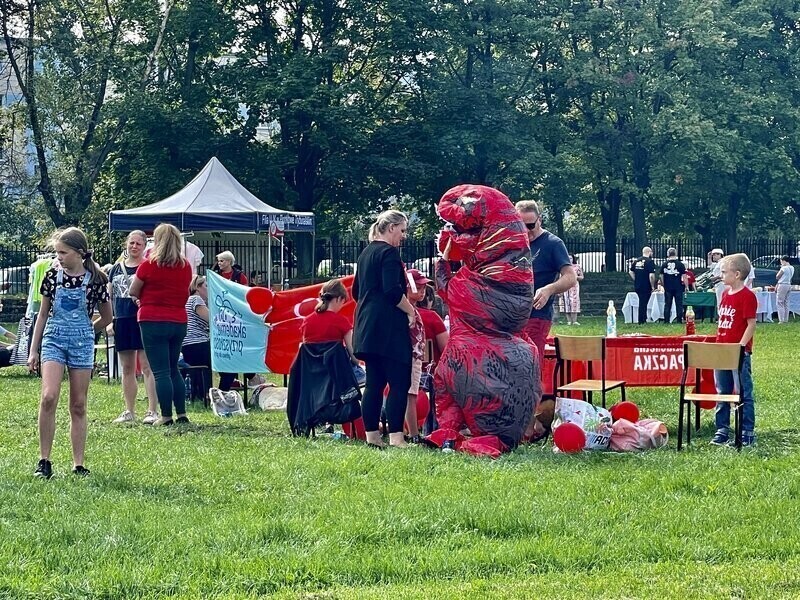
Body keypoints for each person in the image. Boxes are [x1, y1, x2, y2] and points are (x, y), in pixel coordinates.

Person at [27, 227, 112, 478]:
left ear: (79, 253)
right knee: (49, 396)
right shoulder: (52, 276)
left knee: (78, 404)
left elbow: (107, 316)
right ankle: (44, 460)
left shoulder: (97, 280)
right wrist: (34, 350)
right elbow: (42, 314)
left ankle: (78, 464)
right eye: (57, 252)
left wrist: (88, 330)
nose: (59, 257)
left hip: (81, 343)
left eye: (63, 252)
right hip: (54, 338)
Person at [352, 209, 415, 449]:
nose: (403, 236)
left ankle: (372, 437)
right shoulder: (389, 253)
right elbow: (392, 290)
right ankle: (397, 437)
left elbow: (356, 292)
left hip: (367, 327)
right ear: (391, 228)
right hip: (389, 328)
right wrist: (411, 311)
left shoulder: (365, 253)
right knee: (399, 382)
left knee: (374, 383)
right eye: (402, 230)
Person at [129, 223, 193, 426]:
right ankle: (181, 414)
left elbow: (133, 290)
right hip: (178, 321)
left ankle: (165, 417)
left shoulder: (148, 265)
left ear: (157, 241)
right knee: (173, 368)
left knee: (161, 372)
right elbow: (186, 291)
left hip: (152, 320)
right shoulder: (186, 266)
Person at [108, 230, 159, 424]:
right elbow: (110, 296)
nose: (134, 246)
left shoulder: (148, 267)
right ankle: (129, 410)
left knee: (147, 366)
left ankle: (151, 410)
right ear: (126, 244)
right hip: (122, 319)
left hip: (142, 318)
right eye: (132, 243)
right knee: (127, 367)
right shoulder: (115, 269)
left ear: (145, 246)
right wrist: (111, 319)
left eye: (138, 243)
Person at [514, 201, 575, 359]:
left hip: (537, 315)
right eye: (521, 226)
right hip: (511, 315)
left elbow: (570, 276)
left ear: (539, 220)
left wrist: (549, 289)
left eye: (530, 226)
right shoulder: (512, 242)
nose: (526, 231)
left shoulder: (553, 243)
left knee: (529, 364)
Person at [711, 253, 757, 447]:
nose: (721, 275)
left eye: (724, 271)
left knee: (743, 391)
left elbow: (751, 324)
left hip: (738, 352)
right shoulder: (724, 294)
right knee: (723, 390)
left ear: (737, 274)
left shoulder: (747, 296)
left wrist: (741, 346)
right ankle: (722, 428)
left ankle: (746, 431)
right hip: (722, 350)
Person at [301, 278, 362, 379]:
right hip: (336, 375)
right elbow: (354, 356)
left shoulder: (306, 321)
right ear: (338, 299)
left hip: (312, 376)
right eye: (343, 302)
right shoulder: (342, 322)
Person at [181, 274, 212, 398]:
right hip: (198, 343)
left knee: (198, 370)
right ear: (198, 287)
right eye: (206, 286)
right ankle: (208, 393)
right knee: (214, 364)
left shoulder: (187, 300)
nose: (208, 289)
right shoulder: (196, 300)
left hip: (187, 344)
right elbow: (210, 319)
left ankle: (199, 393)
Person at [629, 246, 656, 324]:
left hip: (638, 285)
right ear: (649, 252)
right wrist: (652, 286)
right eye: (651, 252)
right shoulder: (649, 262)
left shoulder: (637, 261)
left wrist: (636, 279)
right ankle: (642, 320)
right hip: (646, 285)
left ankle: (643, 318)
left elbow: (630, 272)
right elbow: (651, 275)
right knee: (643, 303)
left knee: (642, 301)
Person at [659, 248, 686, 323]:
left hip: (668, 287)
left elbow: (661, 276)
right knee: (679, 304)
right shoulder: (680, 264)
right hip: (678, 287)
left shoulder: (664, 264)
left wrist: (663, 284)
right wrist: (686, 286)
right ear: (676, 254)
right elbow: (684, 277)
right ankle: (679, 320)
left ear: (668, 254)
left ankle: (666, 320)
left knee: (667, 304)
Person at [559, 253, 584, 326]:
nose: (570, 259)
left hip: (574, 287)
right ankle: (569, 320)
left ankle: (574, 320)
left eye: (571, 258)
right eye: (568, 258)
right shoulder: (563, 267)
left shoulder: (577, 267)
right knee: (566, 303)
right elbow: (560, 277)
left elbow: (582, 277)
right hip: (566, 286)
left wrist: (576, 277)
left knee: (574, 302)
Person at [775, 255, 795, 324]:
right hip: (788, 284)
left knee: (780, 302)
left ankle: (781, 319)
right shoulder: (792, 268)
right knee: (786, 302)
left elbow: (777, 276)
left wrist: (781, 268)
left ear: (783, 261)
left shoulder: (784, 268)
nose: (781, 263)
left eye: (781, 261)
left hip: (782, 284)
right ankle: (786, 319)